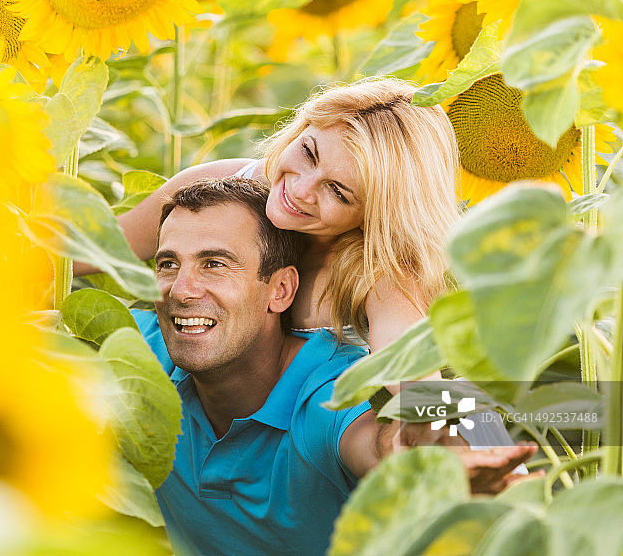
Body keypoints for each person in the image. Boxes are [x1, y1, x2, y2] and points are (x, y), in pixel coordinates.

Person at [132, 178, 536, 556]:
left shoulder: (328, 393)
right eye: (168, 264)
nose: (182, 291)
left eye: (214, 264)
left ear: (281, 290)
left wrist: (458, 446)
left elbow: (385, 442)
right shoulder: (142, 350)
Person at [80, 77, 459, 353]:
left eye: (337, 191)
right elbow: (83, 250)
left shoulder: (382, 272)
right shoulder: (222, 184)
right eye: (309, 153)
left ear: (376, 214)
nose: (300, 189)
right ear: (304, 126)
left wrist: (497, 441)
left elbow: (416, 381)